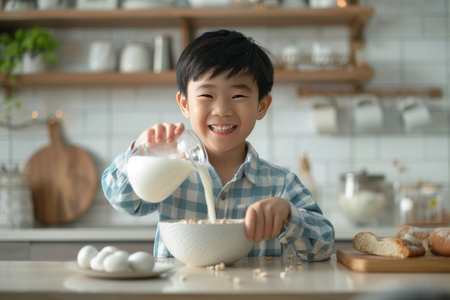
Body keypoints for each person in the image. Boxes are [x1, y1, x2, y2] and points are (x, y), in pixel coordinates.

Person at [102, 29, 334, 262]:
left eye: (238, 96)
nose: (222, 110)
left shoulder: (280, 183)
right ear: (185, 104)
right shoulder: (170, 171)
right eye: (207, 96)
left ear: (262, 106)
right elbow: (122, 200)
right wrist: (140, 152)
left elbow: (324, 245)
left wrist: (288, 215)